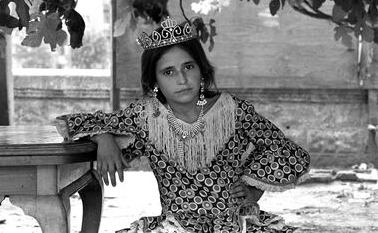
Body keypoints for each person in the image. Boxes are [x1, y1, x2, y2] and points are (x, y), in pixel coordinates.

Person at [54, 17, 310, 233]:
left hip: (236, 223)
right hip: (177, 226)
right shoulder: (146, 115)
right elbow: (79, 121)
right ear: (154, 81)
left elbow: (284, 150)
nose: (182, 79)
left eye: (188, 66)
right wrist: (104, 137)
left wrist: (253, 189)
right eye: (168, 72)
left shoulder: (233, 110)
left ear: (202, 69)